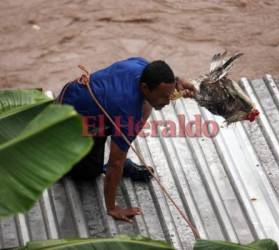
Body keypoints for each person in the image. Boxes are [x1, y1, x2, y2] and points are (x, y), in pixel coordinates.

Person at [57, 57, 196, 223]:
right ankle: (104, 164)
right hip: (72, 120)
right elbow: (116, 161)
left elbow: (158, 90)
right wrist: (112, 208)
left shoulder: (142, 66)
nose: (169, 101)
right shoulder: (128, 111)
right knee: (88, 174)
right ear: (145, 87)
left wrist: (178, 82)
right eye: (165, 97)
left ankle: (119, 154)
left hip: (91, 101)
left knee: (145, 105)